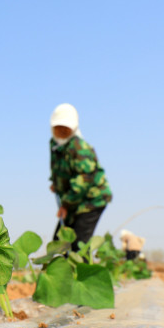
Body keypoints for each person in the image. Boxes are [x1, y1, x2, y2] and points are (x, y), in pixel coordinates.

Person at [49, 103, 112, 249]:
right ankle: (60, 271)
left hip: (92, 199)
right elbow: (58, 168)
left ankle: (79, 271)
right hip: (73, 200)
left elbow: (83, 181)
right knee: (59, 242)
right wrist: (56, 183)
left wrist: (65, 205)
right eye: (58, 128)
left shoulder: (79, 147)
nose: (62, 131)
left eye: (66, 129)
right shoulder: (54, 145)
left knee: (78, 245)